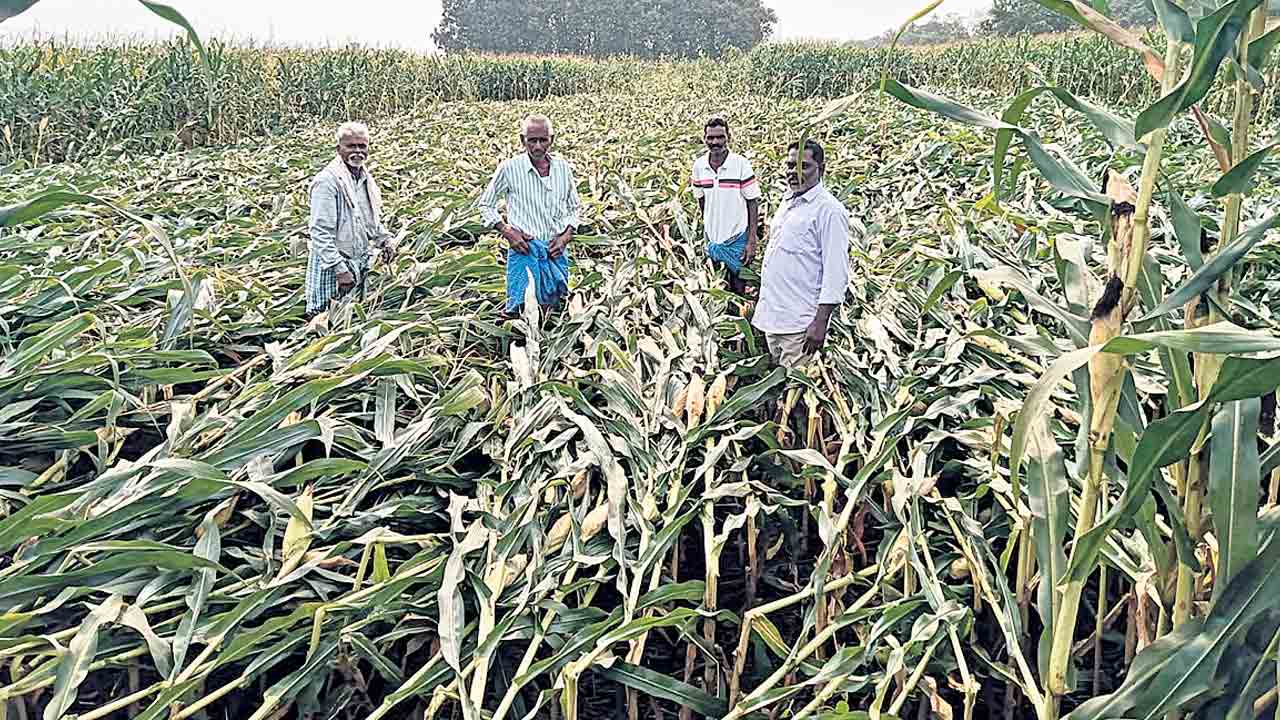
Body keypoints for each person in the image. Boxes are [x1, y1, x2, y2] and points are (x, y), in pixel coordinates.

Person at [752, 139, 849, 369]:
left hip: (800, 325)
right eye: (789, 166)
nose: (793, 173)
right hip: (774, 317)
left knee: (795, 392)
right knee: (778, 384)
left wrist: (820, 323)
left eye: (803, 167)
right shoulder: (788, 201)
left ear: (821, 169)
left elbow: (836, 272)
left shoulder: (829, 211)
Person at [478, 114, 581, 320]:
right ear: (522, 139)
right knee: (519, 312)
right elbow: (485, 205)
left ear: (551, 139)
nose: (537, 146)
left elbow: (575, 208)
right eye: (531, 140)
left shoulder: (563, 169)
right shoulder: (509, 169)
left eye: (543, 140)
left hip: (555, 251)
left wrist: (565, 238)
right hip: (525, 250)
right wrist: (508, 232)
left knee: (553, 310)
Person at [305, 121, 395, 319]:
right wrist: (339, 269)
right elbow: (320, 232)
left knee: (351, 318)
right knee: (325, 318)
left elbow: (368, 218)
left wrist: (385, 240)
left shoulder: (364, 179)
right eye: (351, 146)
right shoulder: (327, 182)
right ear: (339, 149)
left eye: (362, 146)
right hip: (333, 264)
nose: (357, 151)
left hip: (358, 260)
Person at [691, 116, 760, 294]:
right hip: (713, 239)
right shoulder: (699, 166)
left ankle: (739, 318)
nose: (715, 142)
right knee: (716, 286)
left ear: (728, 137)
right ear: (704, 139)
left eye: (720, 137)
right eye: (711, 138)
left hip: (737, 238)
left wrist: (752, 239)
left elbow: (752, 202)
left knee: (738, 286)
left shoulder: (740, 165)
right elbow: (701, 200)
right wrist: (709, 225)